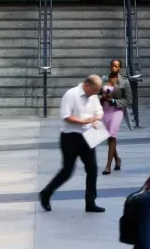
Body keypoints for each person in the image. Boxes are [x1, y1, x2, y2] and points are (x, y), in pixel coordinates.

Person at [40, 74, 107, 213]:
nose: (94, 94)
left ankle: (90, 202)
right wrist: (84, 121)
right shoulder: (71, 94)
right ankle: (46, 193)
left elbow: (99, 110)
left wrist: (96, 119)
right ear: (86, 85)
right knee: (67, 170)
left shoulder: (93, 96)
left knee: (92, 168)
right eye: (93, 90)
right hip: (70, 137)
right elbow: (66, 117)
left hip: (88, 135)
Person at [101, 59, 129, 174]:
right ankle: (117, 159)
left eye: (116, 66)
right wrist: (102, 97)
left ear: (120, 68)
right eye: (112, 66)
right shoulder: (103, 80)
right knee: (110, 137)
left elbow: (129, 100)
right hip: (105, 110)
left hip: (117, 110)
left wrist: (113, 100)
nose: (114, 68)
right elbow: (97, 94)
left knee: (112, 133)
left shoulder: (124, 82)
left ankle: (108, 166)